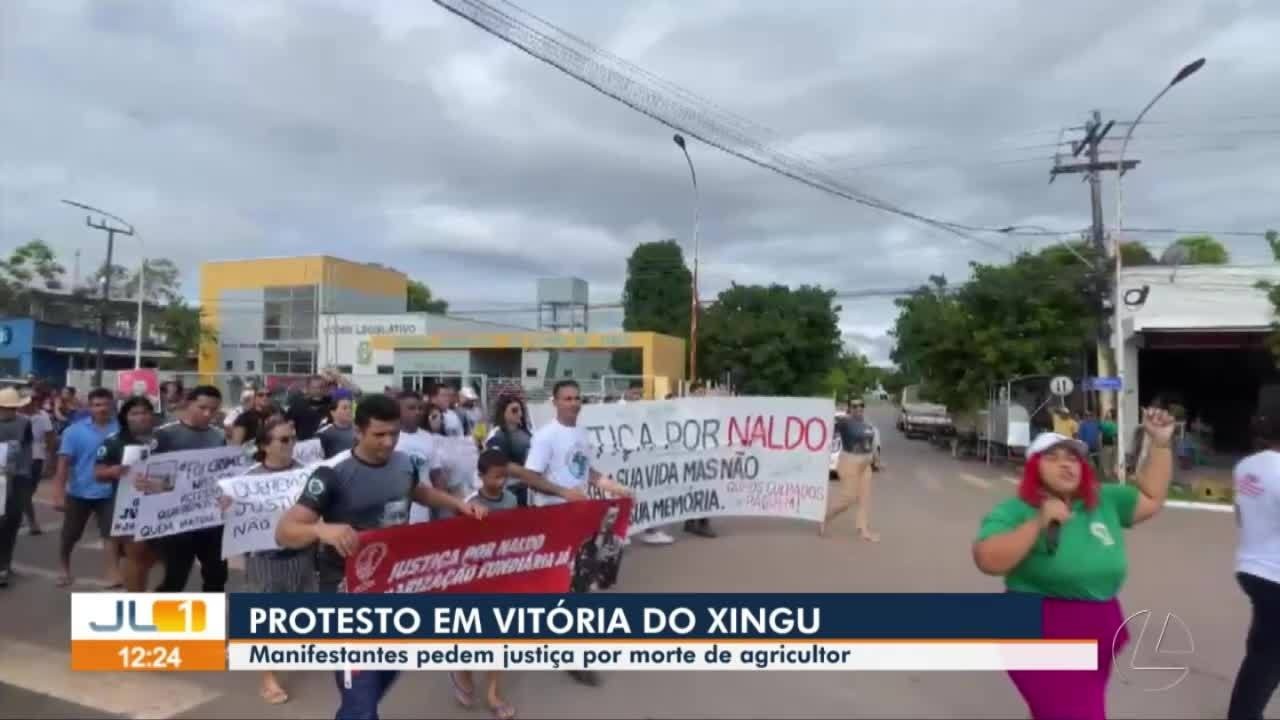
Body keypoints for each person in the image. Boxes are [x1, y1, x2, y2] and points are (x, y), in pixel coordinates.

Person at [275, 393, 487, 720]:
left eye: (394, 433)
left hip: (393, 589)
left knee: (383, 673)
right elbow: (285, 530)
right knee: (360, 697)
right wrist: (321, 530)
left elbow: (417, 490)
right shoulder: (332, 474)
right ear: (358, 432)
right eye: (379, 435)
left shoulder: (404, 463)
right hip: (346, 594)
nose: (388, 442)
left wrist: (457, 504)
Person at [972, 408, 1175, 720]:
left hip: (1100, 627)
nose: (1065, 463)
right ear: (1033, 468)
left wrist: (1160, 444)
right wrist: (1038, 523)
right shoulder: (1016, 511)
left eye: (1072, 457)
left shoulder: (1102, 500)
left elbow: (1152, 498)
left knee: (1062, 710)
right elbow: (987, 559)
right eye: (1052, 458)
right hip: (1038, 628)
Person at [524, 379, 633, 687]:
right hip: (556, 517)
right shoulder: (546, 437)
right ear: (555, 402)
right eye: (567, 398)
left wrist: (613, 487)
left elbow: (588, 471)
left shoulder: (581, 434)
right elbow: (531, 476)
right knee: (569, 585)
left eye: (577, 398)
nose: (573, 403)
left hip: (582, 517)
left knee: (579, 583)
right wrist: (563, 492)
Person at [241, 416, 313, 705]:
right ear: (264, 446)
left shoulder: (308, 475)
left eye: (293, 438)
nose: (290, 444)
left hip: (303, 555)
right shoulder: (247, 480)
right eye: (283, 439)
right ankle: (267, 678)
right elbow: (233, 522)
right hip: (265, 558)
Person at [453, 448, 519, 720]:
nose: (500, 482)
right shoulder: (469, 504)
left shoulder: (513, 500)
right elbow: (455, 544)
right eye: (495, 477)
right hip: (474, 579)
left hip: (503, 576)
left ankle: (492, 692)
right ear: (481, 477)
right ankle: (462, 670)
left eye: (504, 476)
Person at [1227, 402, 1280, 720]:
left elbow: (1240, 514)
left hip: (1250, 566)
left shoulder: (1246, 466)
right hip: (1276, 574)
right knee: (1266, 656)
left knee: (1264, 646)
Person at [152, 385, 229, 593]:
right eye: (202, 407)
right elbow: (151, 477)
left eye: (213, 410)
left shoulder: (219, 436)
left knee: (217, 575)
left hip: (211, 520)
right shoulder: (164, 435)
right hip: (177, 521)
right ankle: (165, 621)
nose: (207, 414)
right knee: (175, 578)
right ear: (188, 403)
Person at [52, 387, 123, 588]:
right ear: (89, 407)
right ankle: (64, 566)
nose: (102, 409)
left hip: (111, 491)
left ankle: (111, 572)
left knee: (110, 534)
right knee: (71, 534)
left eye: (106, 405)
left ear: (113, 406)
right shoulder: (74, 431)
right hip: (79, 491)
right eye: (97, 405)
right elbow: (63, 464)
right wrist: (57, 494)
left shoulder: (121, 429)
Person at [95, 395, 158, 592]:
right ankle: (135, 598)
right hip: (130, 508)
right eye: (135, 413)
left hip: (161, 508)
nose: (141, 417)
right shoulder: (114, 442)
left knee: (152, 558)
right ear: (125, 417)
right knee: (136, 555)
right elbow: (98, 473)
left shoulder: (163, 438)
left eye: (145, 412)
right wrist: (113, 472)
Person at [823, 398, 879, 542]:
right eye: (854, 406)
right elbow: (825, 422)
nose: (858, 408)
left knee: (864, 498)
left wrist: (876, 459)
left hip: (866, 464)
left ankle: (864, 530)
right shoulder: (845, 422)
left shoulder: (867, 424)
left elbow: (871, 444)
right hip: (849, 462)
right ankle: (825, 518)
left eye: (861, 405)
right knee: (848, 498)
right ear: (850, 408)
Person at [0, 386, 35, 588]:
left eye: (13, 408)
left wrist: (25, 473)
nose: (10, 411)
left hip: (18, 478)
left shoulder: (24, 423)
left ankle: (5, 564)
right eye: (5, 408)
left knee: (12, 521)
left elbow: (27, 449)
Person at [395, 391, 447, 523]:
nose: (417, 412)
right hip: (396, 509)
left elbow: (436, 473)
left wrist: (441, 502)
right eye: (411, 408)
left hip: (423, 510)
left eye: (420, 408)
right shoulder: (390, 437)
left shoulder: (428, 438)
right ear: (398, 411)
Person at [683, 382, 715, 538]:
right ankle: (692, 521)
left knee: (705, 489)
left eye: (704, 392)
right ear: (692, 394)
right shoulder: (684, 411)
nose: (702, 395)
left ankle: (702, 521)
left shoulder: (708, 411)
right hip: (690, 457)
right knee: (692, 489)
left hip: (705, 457)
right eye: (699, 392)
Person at [20, 390, 55, 535]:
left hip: (37, 458)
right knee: (23, 492)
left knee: (29, 491)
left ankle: (19, 511)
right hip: (17, 458)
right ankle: (33, 522)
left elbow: (50, 438)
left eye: (31, 400)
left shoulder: (43, 417)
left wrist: (50, 461)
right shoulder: (14, 416)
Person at [287, 376, 331, 442]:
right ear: (308, 388)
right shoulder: (298, 405)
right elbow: (288, 424)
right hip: (303, 444)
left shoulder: (332, 404)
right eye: (314, 387)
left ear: (326, 388)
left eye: (321, 387)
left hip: (327, 444)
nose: (318, 390)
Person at [318, 391, 356, 459]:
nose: (349, 410)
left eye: (350, 408)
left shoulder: (359, 431)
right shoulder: (324, 433)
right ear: (333, 412)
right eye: (344, 408)